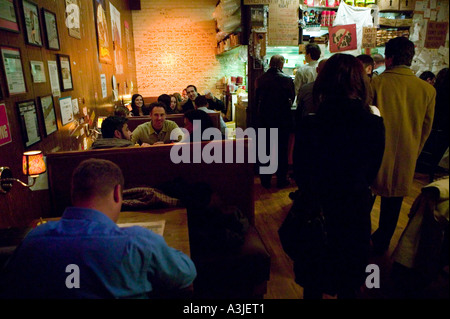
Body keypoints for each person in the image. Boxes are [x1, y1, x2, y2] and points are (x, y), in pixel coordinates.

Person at [0, 158, 197, 298]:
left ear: (73, 193)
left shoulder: (33, 240)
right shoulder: (139, 242)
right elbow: (185, 273)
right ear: (118, 194)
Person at [292, 53, 385, 299]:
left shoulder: (311, 123)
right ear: (361, 82)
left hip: (316, 208)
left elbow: (299, 171)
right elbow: (372, 171)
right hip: (354, 209)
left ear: (324, 81)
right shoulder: (374, 124)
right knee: (350, 281)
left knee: (313, 281)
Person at [370, 36, 436, 255]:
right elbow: (426, 129)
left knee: (366, 202)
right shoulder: (427, 90)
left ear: (388, 59)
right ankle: (381, 245)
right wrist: (413, 151)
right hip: (407, 154)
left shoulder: (376, 83)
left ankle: (360, 245)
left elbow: (368, 120)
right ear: (410, 58)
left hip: (376, 154)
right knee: (393, 207)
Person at [255, 54, 295, 189]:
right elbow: (292, 98)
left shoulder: (261, 79)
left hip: (265, 119)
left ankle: (265, 181)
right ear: (281, 64)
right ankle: (281, 179)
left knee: (265, 150)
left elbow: (256, 100)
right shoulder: (287, 79)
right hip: (282, 120)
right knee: (281, 150)